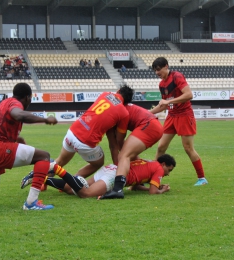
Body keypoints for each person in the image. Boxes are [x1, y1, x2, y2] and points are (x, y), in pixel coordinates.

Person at [20, 84, 134, 190]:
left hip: (72, 132)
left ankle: (39, 178)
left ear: (118, 91)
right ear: (126, 103)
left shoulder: (105, 94)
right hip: (86, 142)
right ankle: (71, 184)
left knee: (59, 161)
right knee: (98, 163)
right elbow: (119, 140)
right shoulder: (124, 112)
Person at [149, 56, 208, 186]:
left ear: (166, 66)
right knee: (161, 147)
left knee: (188, 148)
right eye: (155, 71)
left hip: (184, 115)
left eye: (159, 69)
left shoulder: (177, 76)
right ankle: (153, 176)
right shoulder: (161, 84)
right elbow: (163, 104)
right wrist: (147, 114)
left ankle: (202, 178)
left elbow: (188, 95)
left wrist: (169, 101)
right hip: (172, 115)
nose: (157, 73)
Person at [99, 103, 164, 199]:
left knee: (124, 156)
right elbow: (115, 145)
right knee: (127, 154)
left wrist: (117, 171)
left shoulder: (114, 115)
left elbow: (117, 144)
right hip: (153, 125)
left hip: (150, 126)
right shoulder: (116, 110)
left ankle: (118, 189)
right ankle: (138, 183)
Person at [43, 154, 176, 198]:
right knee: (86, 193)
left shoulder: (149, 163)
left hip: (112, 168)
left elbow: (135, 187)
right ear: (163, 164)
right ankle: (56, 169)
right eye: (169, 170)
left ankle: (43, 178)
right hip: (115, 175)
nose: (168, 174)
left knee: (69, 189)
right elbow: (153, 192)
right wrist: (162, 190)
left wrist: (147, 188)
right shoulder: (158, 168)